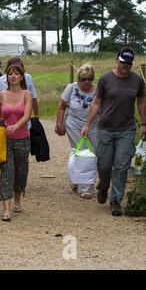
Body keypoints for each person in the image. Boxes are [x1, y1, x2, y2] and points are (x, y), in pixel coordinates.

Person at [82, 47, 146, 216]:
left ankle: (116, 200)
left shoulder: (137, 81)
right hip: (106, 128)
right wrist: (88, 123)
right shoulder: (105, 79)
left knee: (121, 166)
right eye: (123, 61)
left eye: (129, 63)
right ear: (117, 59)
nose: (126, 65)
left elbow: (141, 102)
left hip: (126, 129)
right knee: (104, 164)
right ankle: (103, 185)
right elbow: (96, 103)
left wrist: (144, 123)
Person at [0, 64, 32, 221]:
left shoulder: (27, 94)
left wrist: (16, 126)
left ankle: (17, 200)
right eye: (10, 74)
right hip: (5, 139)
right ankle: (6, 208)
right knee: (7, 172)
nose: (13, 76)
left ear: (21, 77)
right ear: (7, 77)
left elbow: (27, 116)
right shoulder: (0, 95)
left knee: (21, 172)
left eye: (16, 74)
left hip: (23, 138)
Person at [56, 63, 98, 199]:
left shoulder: (97, 90)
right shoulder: (71, 88)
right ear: (78, 79)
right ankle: (85, 187)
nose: (86, 82)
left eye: (89, 79)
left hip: (92, 126)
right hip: (74, 126)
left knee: (93, 153)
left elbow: (101, 110)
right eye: (83, 79)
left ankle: (75, 179)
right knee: (83, 153)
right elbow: (62, 107)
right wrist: (59, 124)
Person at [0, 57, 39, 122]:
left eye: (17, 72)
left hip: (24, 125)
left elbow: (34, 99)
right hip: (5, 125)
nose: (13, 76)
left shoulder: (28, 80)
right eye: (11, 73)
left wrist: (36, 115)